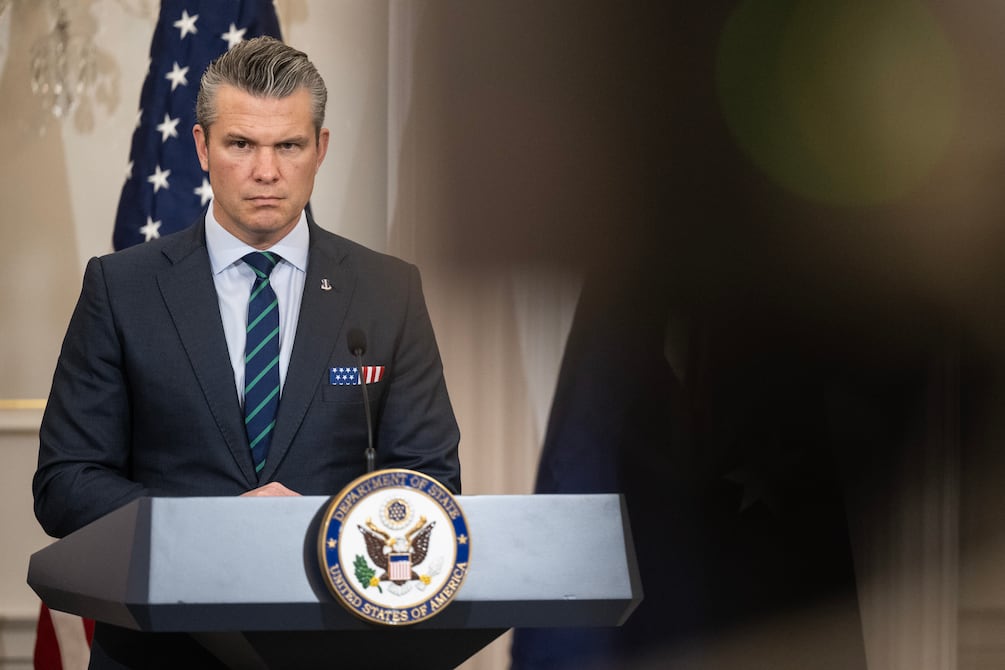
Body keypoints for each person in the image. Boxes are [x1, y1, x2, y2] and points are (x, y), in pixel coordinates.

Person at [33, 36, 460, 668]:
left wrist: (322, 526)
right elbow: (65, 484)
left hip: (339, 645)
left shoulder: (388, 291)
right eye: (241, 144)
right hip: (162, 651)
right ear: (202, 147)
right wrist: (215, 523)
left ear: (320, 148)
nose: (266, 171)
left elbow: (432, 482)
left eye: (288, 145)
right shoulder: (121, 288)